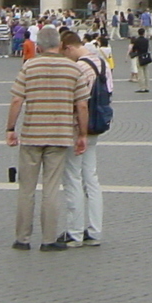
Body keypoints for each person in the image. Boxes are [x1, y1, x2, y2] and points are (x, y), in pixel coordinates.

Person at [5, 26, 89, 251]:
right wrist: (82, 133)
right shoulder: (73, 69)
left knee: (26, 189)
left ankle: (22, 239)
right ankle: (48, 239)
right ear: (59, 45)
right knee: (51, 189)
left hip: (32, 134)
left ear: (39, 46)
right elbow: (81, 104)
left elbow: (16, 101)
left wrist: (11, 128)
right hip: (60, 136)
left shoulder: (29, 66)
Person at [59, 31, 104, 246]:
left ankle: (74, 232)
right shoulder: (101, 62)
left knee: (72, 177)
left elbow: (80, 103)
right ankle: (95, 231)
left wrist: (81, 133)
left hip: (80, 128)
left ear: (68, 47)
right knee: (91, 178)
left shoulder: (81, 67)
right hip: (98, 125)